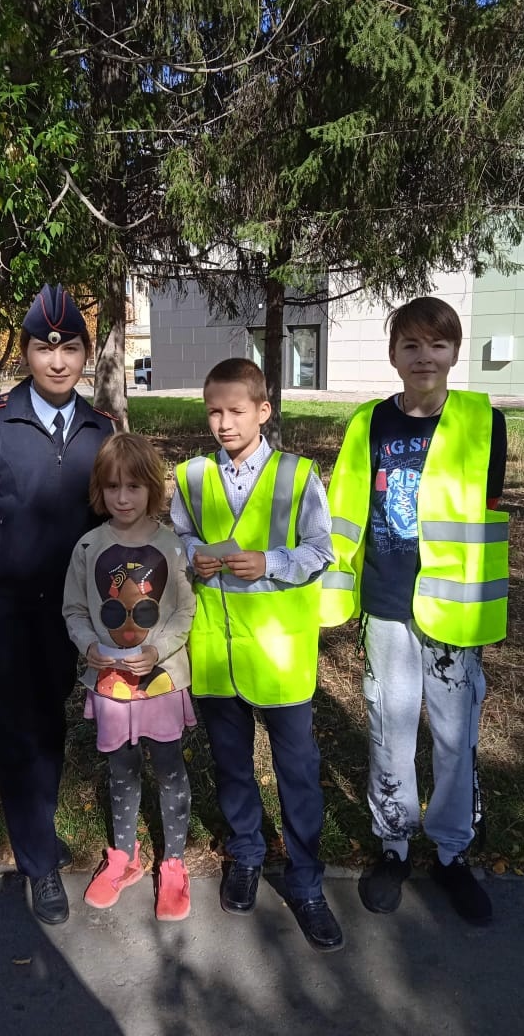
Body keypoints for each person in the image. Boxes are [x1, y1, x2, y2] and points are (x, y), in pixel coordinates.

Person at [0, 284, 114, 925]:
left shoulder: (101, 430)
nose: (57, 361)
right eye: (44, 348)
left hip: (66, 616)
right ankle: (39, 864)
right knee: (14, 735)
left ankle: (38, 830)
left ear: (86, 354)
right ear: (27, 354)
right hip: (1, 614)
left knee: (49, 727)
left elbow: (113, 523)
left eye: (70, 349)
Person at [322, 296, 508, 925]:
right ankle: (394, 845)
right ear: (393, 355)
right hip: (386, 604)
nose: (424, 356)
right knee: (389, 727)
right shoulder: (369, 423)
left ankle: (452, 853)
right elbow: (345, 508)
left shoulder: (485, 422)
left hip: (453, 613)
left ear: (454, 352)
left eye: (437, 344)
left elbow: (486, 512)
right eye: (411, 345)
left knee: (456, 735)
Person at [170, 357, 343, 953]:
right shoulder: (191, 476)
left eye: (236, 411)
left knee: (297, 771)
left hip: (280, 656)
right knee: (232, 765)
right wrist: (192, 554)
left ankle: (306, 881)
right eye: (213, 412)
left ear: (263, 411)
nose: (223, 423)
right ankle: (246, 853)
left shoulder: (297, 475)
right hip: (217, 652)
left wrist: (271, 562)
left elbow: (322, 550)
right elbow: (177, 536)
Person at [63, 433, 196, 922]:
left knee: (169, 769)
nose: (123, 498)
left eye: (134, 487)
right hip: (111, 686)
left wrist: (159, 649)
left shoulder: (173, 547)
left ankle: (174, 863)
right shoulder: (88, 546)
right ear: (100, 490)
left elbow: (185, 612)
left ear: (152, 489)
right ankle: (125, 856)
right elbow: (75, 610)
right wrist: (89, 647)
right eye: (113, 486)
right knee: (121, 769)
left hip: (162, 683)